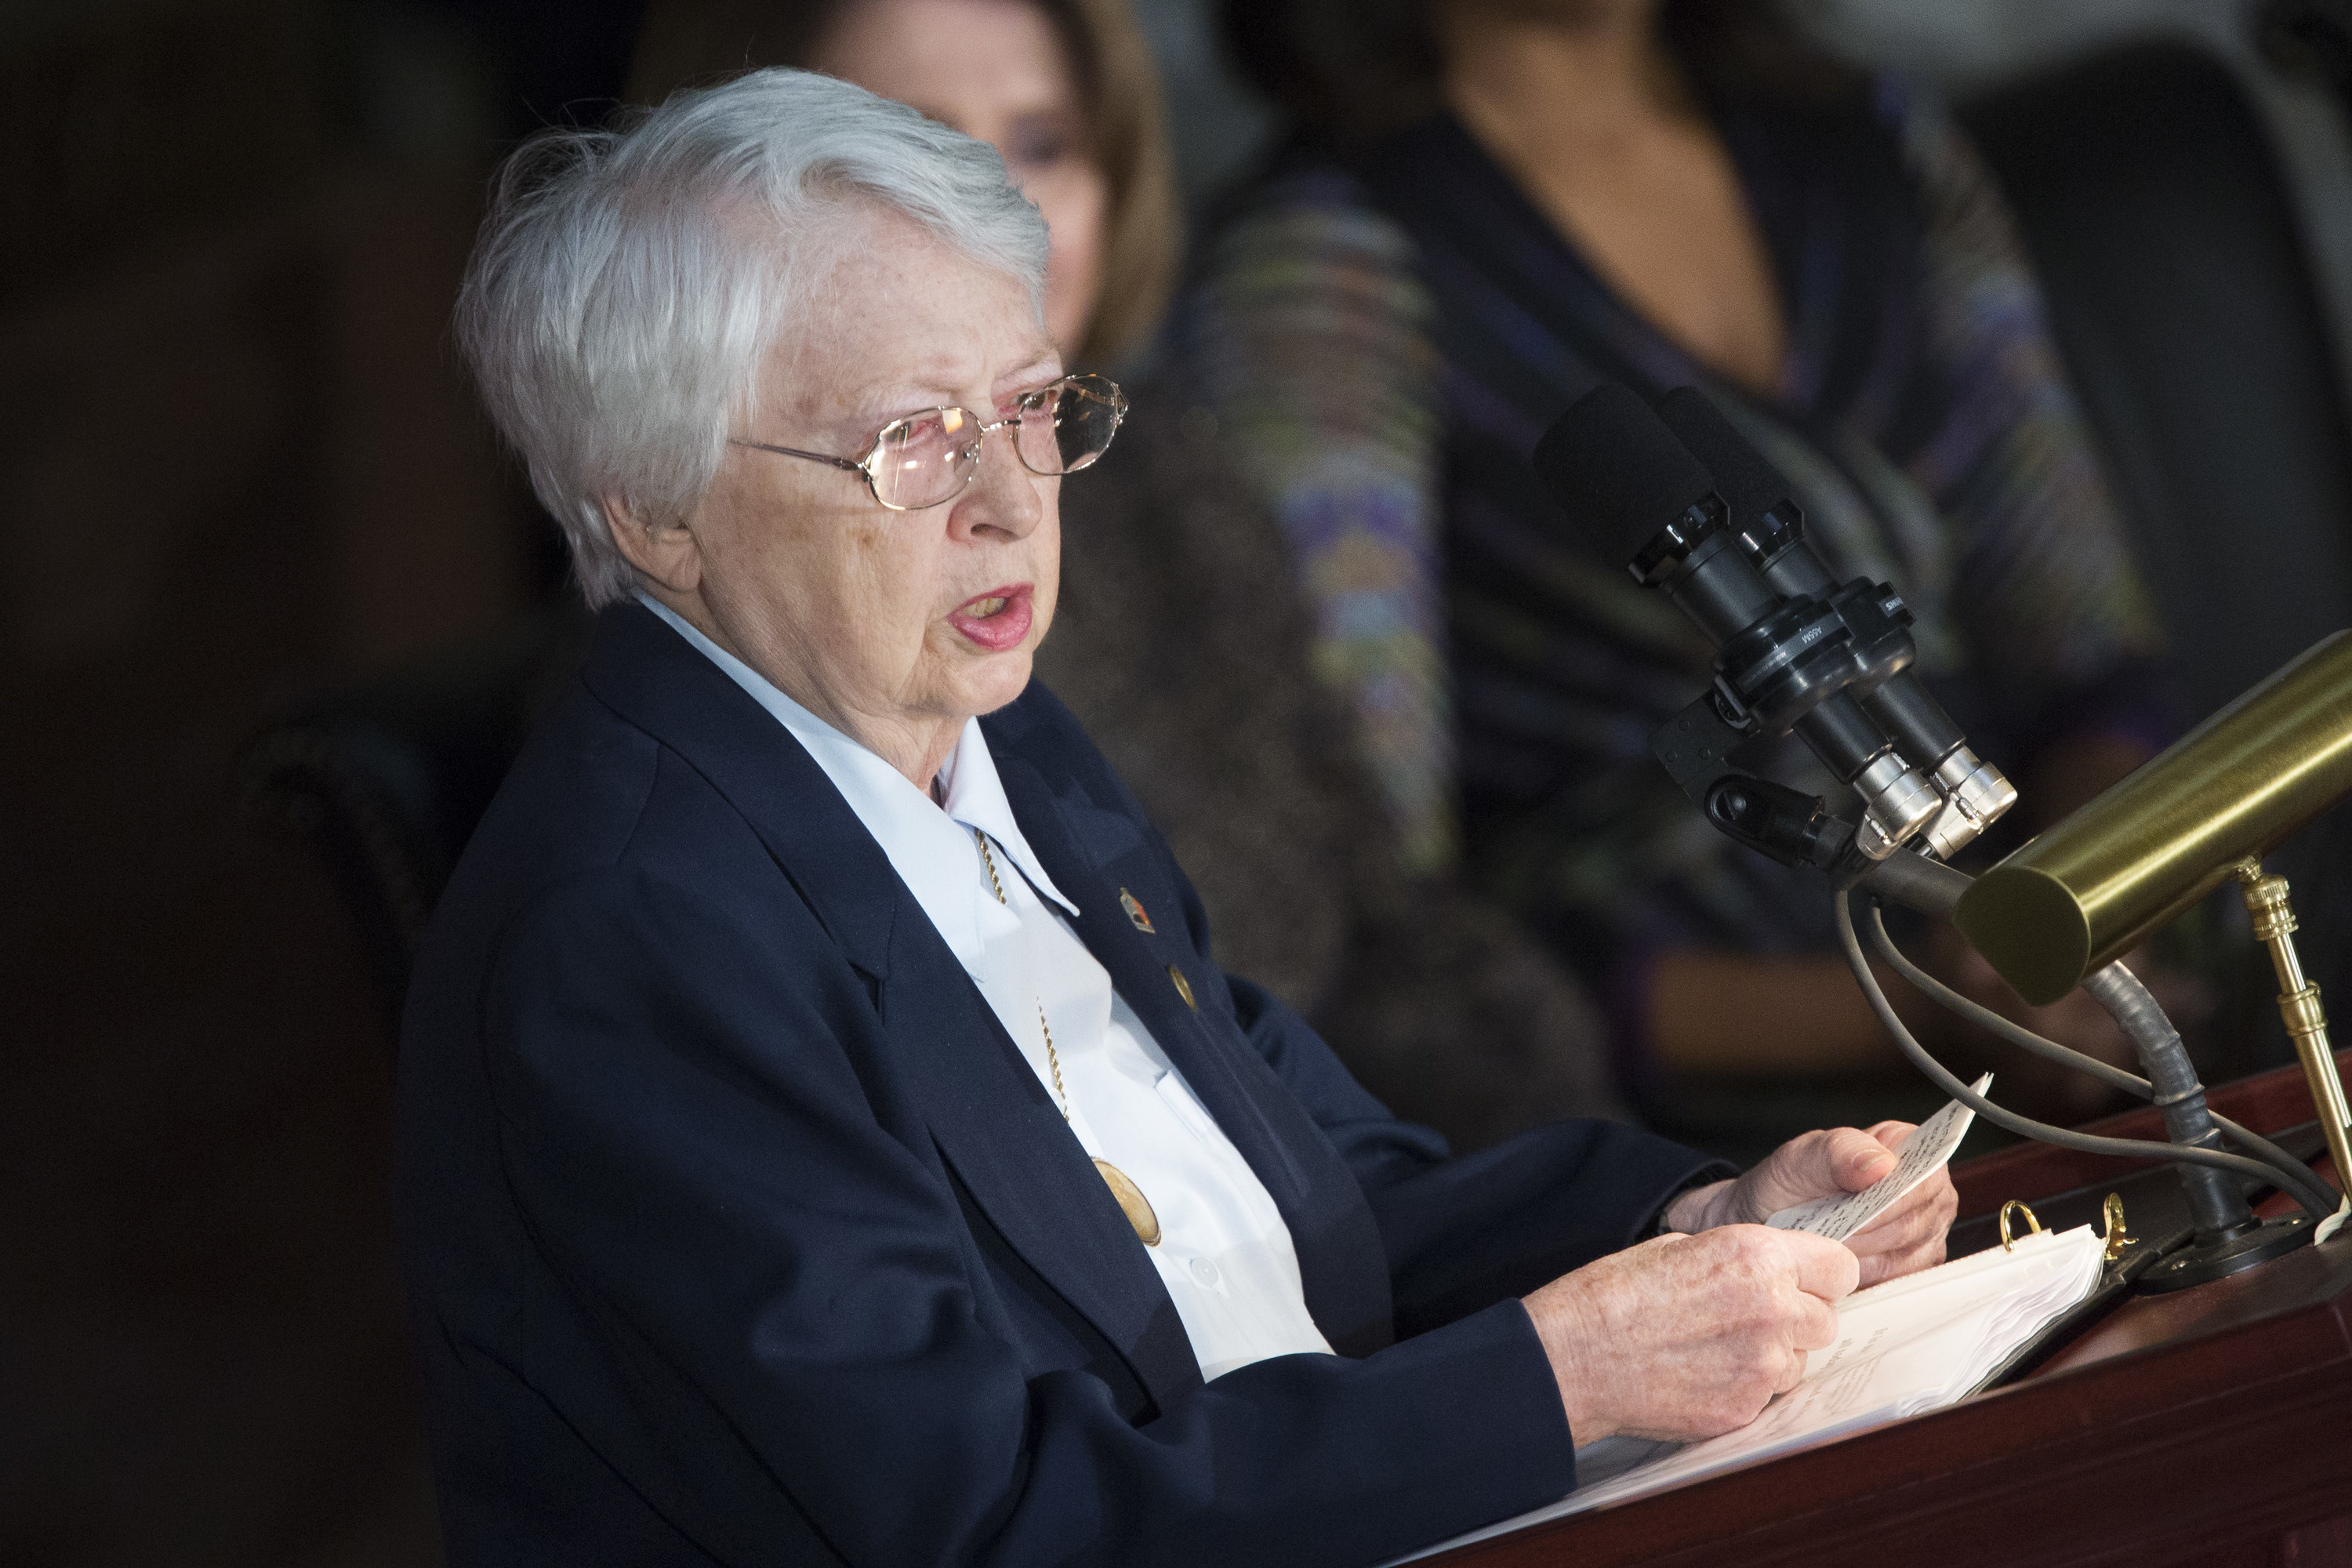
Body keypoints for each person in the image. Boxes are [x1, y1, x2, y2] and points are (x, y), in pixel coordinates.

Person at [400, 69, 1955, 1564]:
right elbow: (991, 1521)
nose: (1012, 499)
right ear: (654, 508)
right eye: (913, 442)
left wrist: (1690, 1219)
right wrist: (1559, 1379)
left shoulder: (1001, 735)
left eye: (1027, 407)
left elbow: (1311, 1207)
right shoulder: (629, 944)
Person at [622, 0, 1627, 1145]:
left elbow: (1390, 932)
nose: (991, 209)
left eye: (1042, 144)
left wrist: (1634, 1208)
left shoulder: (1172, 478)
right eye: (902, 147)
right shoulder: (737, 613)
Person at [1177, 0, 2185, 1131]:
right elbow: (1387, 931)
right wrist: (1932, 1010)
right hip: (1709, 1116)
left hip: (2080, 961)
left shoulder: (1875, 139)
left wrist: (2087, 912)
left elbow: (2090, 654)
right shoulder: (1320, 263)